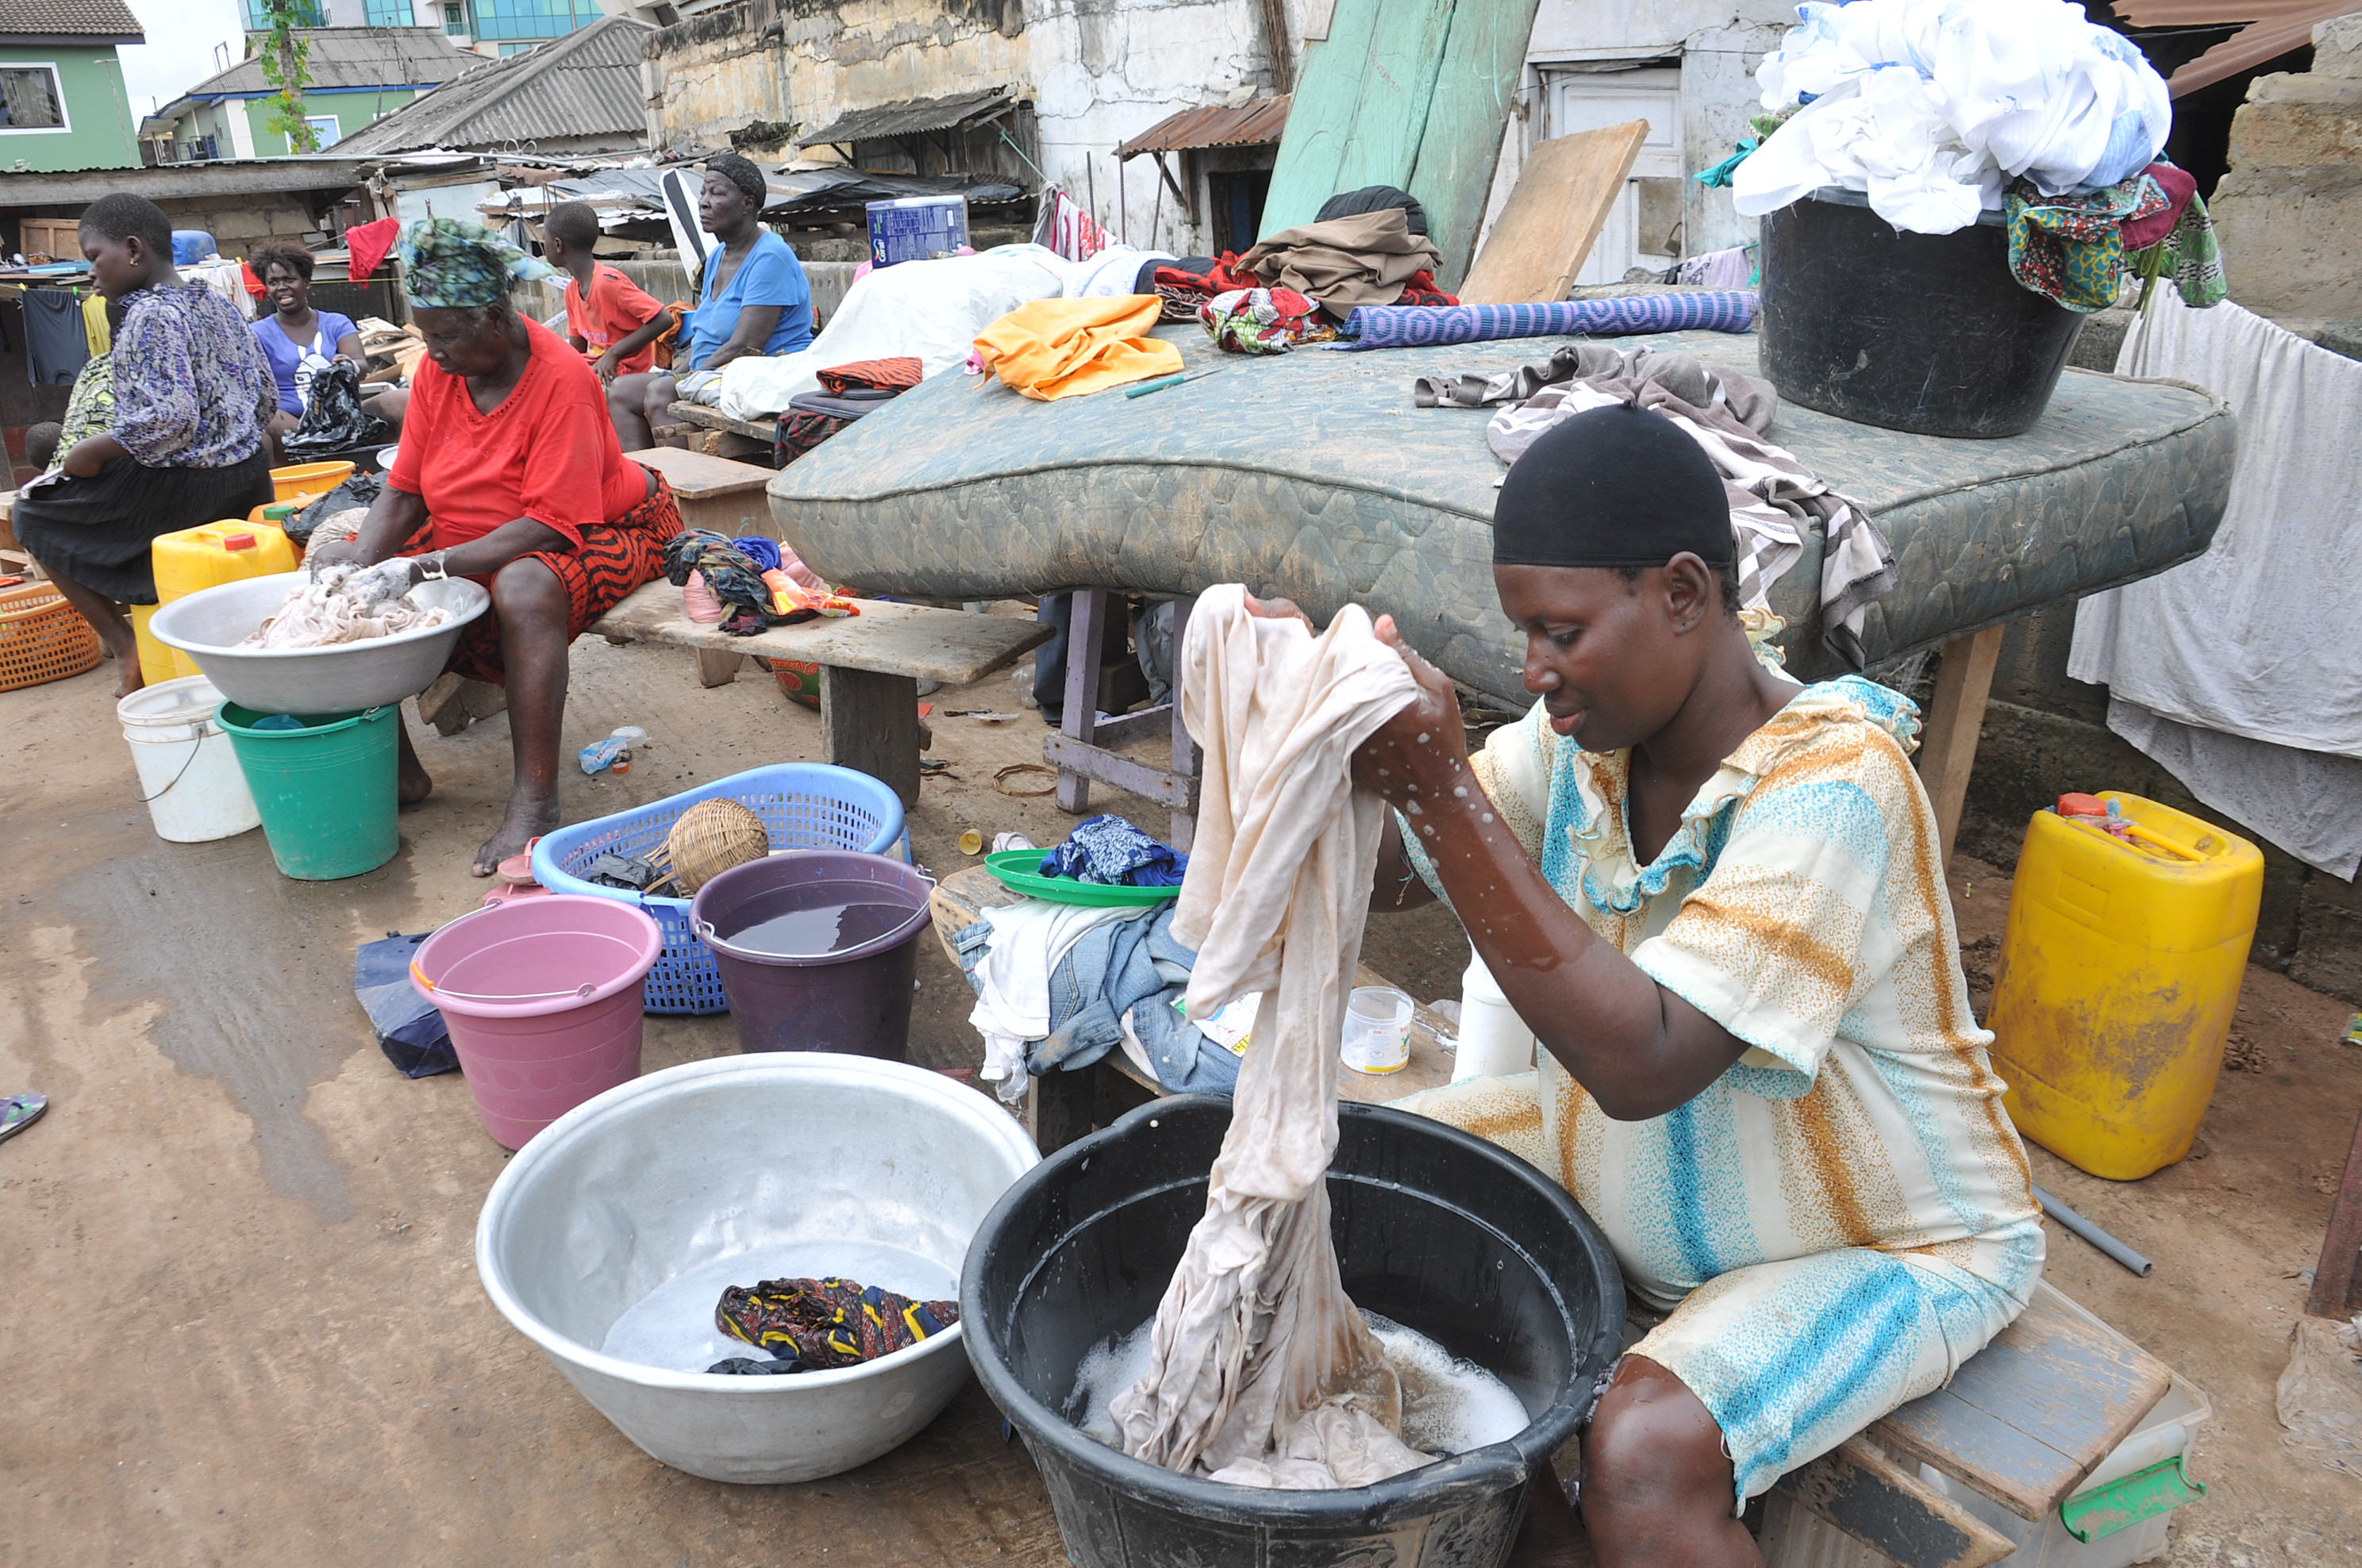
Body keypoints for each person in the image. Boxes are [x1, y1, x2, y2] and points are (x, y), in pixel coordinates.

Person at [1267, 405, 2044, 1567]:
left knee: (1642, 1452)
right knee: (1336, 1190)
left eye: (1560, 631)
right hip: (1644, 1174)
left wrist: (1436, 782)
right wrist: (1320, 713)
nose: (1533, 670)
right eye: (1523, 631)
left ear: (1684, 594)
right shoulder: (1581, 739)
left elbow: (1648, 1063)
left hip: (1887, 1238)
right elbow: (1395, 878)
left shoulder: (1836, 783)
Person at [307, 220, 683, 877]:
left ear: (496, 318)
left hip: (611, 526)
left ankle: (535, 803)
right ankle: (397, 772)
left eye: (448, 335)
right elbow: (404, 493)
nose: (437, 351)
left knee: (523, 585)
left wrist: (424, 565)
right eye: (429, 335)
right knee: (338, 566)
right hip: (478, 534)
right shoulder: (439, 373)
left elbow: (548, 524)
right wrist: (363, 568)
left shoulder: (561, 377)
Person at [13, 194, 277, 698]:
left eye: (94, 256)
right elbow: (264, 400)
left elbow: (168, 420)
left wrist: (89, 452)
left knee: (32, 513)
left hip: (185, 487)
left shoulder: (149, 316)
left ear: (133, 250)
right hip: (247, 476)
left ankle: (123, 642)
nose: (90, 272)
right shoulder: (218, 304)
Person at [607, 152, 813, 449]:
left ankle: (684, 489)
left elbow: (747, 345)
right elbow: (706, 337)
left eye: (716, 193)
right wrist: (674, 373)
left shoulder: (770, 257)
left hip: (765, 374)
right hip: (719, 371)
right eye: (703, 192)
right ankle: (647, 486)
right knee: (623, 391)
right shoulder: (718, 256)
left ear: (748, 204)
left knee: (660, 395)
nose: (703, 201)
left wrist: (687, 378)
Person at [542, 200, 672, 392]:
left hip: (627, 376)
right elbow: (577, 350)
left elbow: (663, 319)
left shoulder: (607, 283)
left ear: (558, 245)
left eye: (544, 239)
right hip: (598, 371)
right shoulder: (572, 290)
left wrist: (613, 353)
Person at [248, 244, 361, 459]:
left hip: (343, 419)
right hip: (292, 426)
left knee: (400, 401)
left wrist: (349, 365)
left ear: (306, 282)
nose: (281, 287)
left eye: (289, 280)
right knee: (262, 420)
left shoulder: (336, 323)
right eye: (273, 282)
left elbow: (360, 364)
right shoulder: (256, 334)